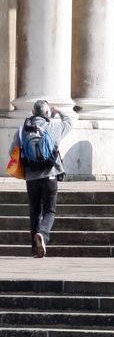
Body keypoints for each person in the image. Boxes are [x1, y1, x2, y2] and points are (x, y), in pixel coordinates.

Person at [14, 99, 73, 258]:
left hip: (31, 177)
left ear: (32, 113)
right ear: (47, 113)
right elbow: (69, 122)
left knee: (34, 212)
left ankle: (35, 249)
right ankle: (43, 234)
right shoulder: (54, 126)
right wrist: (58, 111)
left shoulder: (22, 130)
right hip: (50, 174)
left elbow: (13, 152)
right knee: (49, 210)